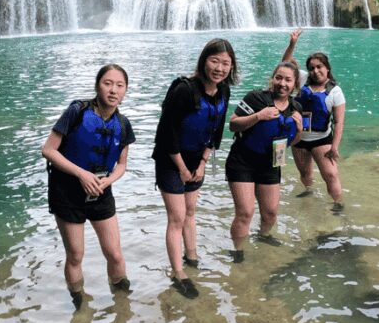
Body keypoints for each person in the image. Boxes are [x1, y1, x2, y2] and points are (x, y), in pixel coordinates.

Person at [42, 64, 136, 307]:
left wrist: (109, 180)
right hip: (68, 192)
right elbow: (48, 150)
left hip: (101, 192)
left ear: (125, 91)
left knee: (115, 253)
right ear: (97, 86)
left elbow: (122, 165)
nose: (113, 90)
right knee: (75, 254)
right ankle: (79, 304)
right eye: (108, 83)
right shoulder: (77, 111)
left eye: (119, 85)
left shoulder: (123, 125)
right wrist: (82, 174)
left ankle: (122, 303)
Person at [153, 39, 238, 298]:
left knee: (190, 212)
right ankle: (178, 272)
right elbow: (166, 132)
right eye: (215, 61)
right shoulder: (184, 90)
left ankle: (192, 259)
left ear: (231, 67)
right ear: (204, 61)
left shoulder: (223, 92)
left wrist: (202, 163)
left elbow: (216, 132)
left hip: (196, 160)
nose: (219, 68)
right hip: (171, 159)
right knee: (177, 217)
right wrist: (181, 166)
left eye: (225, 63)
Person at [226, 61, 303, 263]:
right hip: (243, 160)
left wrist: (300, 129)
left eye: (288, 80)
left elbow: (292, 142)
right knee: (245, 212)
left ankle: (264, 236)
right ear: (272, 79)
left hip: (271, 163)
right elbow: (233, 124)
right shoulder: (256, 97)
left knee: (270, 213)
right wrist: (259, 116)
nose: (282, 83)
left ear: (295, 84)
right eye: (278, 78)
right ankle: (238, 250)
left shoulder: (296, 107)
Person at [282, 28, 346, 211]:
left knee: (331, 174)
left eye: (319, 67)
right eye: (312, 68)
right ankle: (309, 192)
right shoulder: (301, 79)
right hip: (299, 139)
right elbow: (285, 63)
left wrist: (335, 146)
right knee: (305, 173)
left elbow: (339, 122)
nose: (315, 71)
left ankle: (338, 204)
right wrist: (292, 43)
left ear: (327, 68)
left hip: (321, 139)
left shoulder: (335, 92)